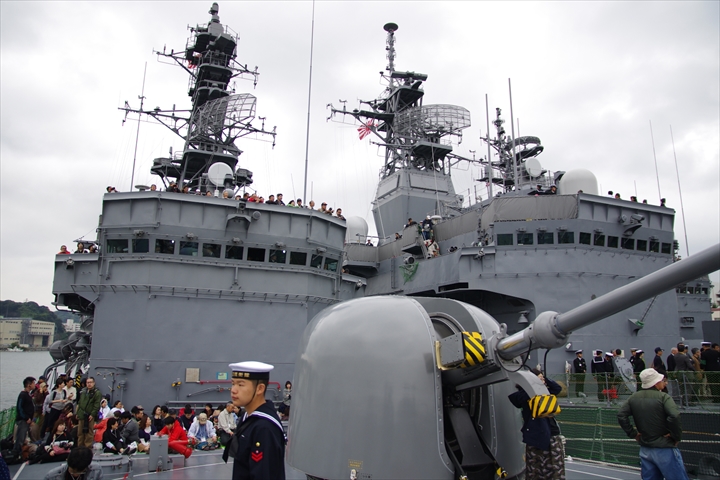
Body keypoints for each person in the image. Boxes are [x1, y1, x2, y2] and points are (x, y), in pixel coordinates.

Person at [617, 369, 689, 480]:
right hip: (664, 447)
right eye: (662, 380)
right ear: (656, 383)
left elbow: (621, 415)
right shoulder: (664, 397)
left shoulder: (634, 397)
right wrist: (676, 436)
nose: (664, 383)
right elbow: (674, 415)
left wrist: (633, 434)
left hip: (645, 447)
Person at [224, 361, 285, 480]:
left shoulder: (264, 427)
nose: (233, 390)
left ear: (260, 389)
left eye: (240, 385)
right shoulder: (248, 418)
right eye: (233, 383)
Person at [508, 368, 565, 479]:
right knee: (535, 469)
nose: (541, 381)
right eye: (539, 378)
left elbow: (557, 388)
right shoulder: (524, 395)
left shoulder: (545, 392)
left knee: (556, 469)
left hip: (551, 433)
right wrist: (532, 385)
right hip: (536, 435)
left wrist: (545, 380)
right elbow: (516, 400)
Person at [75, 377, 102, 448]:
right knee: (80, 433)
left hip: (90, 415)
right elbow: (80, 403)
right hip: (81, 414)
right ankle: (80, 447)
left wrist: (92, 414)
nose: (89, 384)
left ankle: (87, 448)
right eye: (87, 382)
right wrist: (77, 413)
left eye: (90, 382)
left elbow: (96, 405)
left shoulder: (97, 393)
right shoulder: (83, 391)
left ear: (94, 383)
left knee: (89, 433)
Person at [13, 376, 36, 455]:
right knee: (20, 438)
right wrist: (26, 418)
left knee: (23, 438)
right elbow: (19, 407)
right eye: (33, 383)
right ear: (29, 385)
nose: (34, 385)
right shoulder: (23, 395)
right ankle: (16, 453)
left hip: (28, 420)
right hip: (23, 420)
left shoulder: (28, 394)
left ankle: (21, 453)